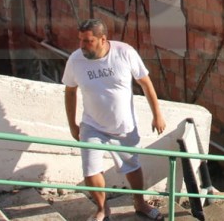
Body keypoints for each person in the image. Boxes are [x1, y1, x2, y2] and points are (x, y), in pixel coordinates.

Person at [63, 19, 166, 221]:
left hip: (123, 126)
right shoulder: (76, 60)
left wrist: (157, 115)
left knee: (133, 167)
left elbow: (145, 83)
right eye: (80, 41)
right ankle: (102, 209)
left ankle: (140, 203)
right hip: (92, 125)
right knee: (91, 171)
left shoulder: (124, 53)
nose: (82, 46)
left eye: (88, 41)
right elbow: (69, 92)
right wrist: (73, 125)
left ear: (102, 39)